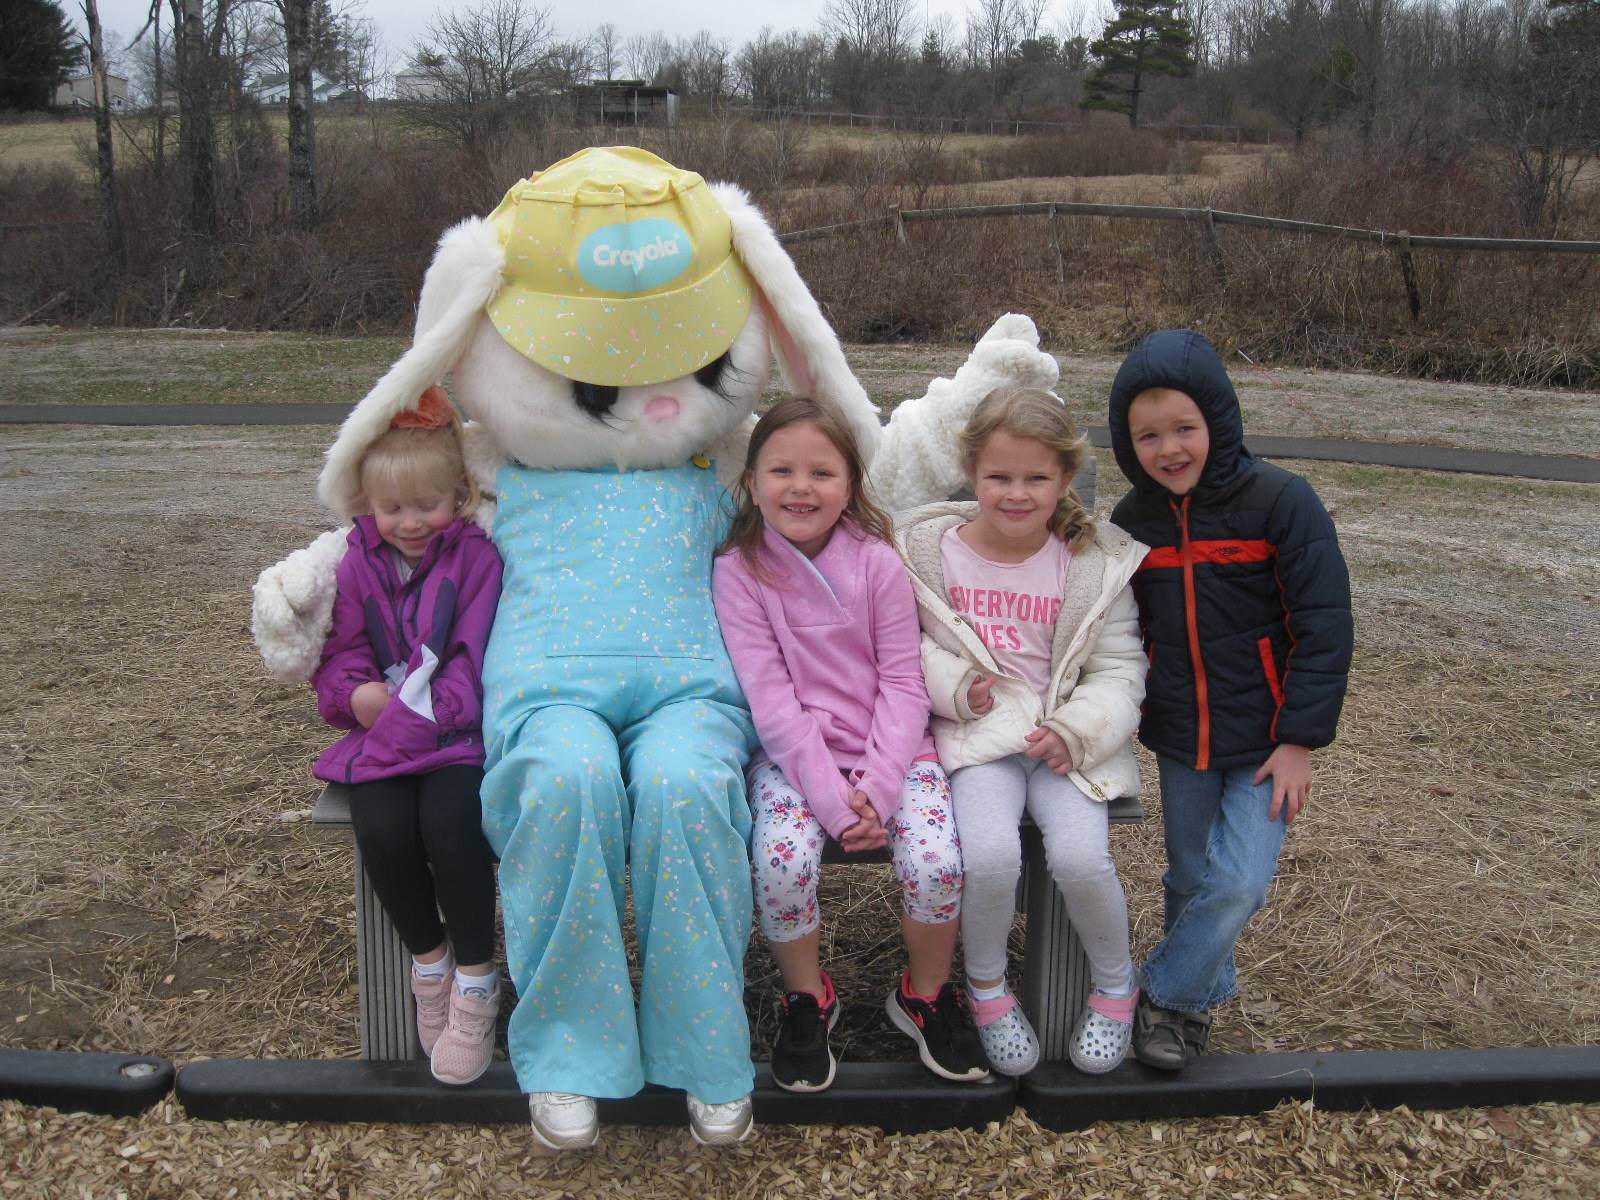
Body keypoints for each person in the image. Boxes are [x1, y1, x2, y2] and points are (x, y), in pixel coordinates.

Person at [712, 396, 988, 1092]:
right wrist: (836, 802)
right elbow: (770, 700)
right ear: (751, 482)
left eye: (821, 473)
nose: (801, 487)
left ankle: (925, 994)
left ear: (850, 486)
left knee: (935, 862)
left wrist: (882, 782)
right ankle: (807, 997)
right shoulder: (739, 572)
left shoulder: (877, 563)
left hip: (893, 753)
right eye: (781, 470)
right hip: (793, 760)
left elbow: (903, 682)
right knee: (781, 861)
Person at [1106, 329, 1353, 1071]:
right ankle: (1189, 1014)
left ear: (1219, 419)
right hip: (1181, 736)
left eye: (1184, 428)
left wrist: (1300, 739)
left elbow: (1324, 625)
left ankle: (1164, 995)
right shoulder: (1132, 523)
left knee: (1238, 881)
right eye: (1147, 435)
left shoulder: (1280, 501)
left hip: (1267, 739)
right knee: (1188, 876)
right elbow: (1112, 624)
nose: (1168, 448)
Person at [898, 386, 1149, 1077]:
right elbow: (902, 646)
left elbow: (1121, 668)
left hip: (1066, 748)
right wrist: (955, 690)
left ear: (1065, 478)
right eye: (998, 477)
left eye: (1037, 478)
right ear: (972, 474)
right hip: (981, 744)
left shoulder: (1093, 564)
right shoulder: (926, 554)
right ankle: (985, 989)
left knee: (1079, 859)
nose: (1016, 493)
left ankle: (1115, 986)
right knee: (989, 857)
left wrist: (1077, 730)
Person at [310, 385, 504, 1087]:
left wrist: (413, 716)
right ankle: (431, 962)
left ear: (458, 494)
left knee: (453, 826)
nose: (410, 522)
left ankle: (478, 981)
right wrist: (354, 693)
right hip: (383, 740)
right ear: (367, 506)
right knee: (384, 828)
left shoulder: (477, 560)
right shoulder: (358, 561)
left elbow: (475, 661)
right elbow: (342, 652)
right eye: (392, 509)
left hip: (457, 738)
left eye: (427, 504)